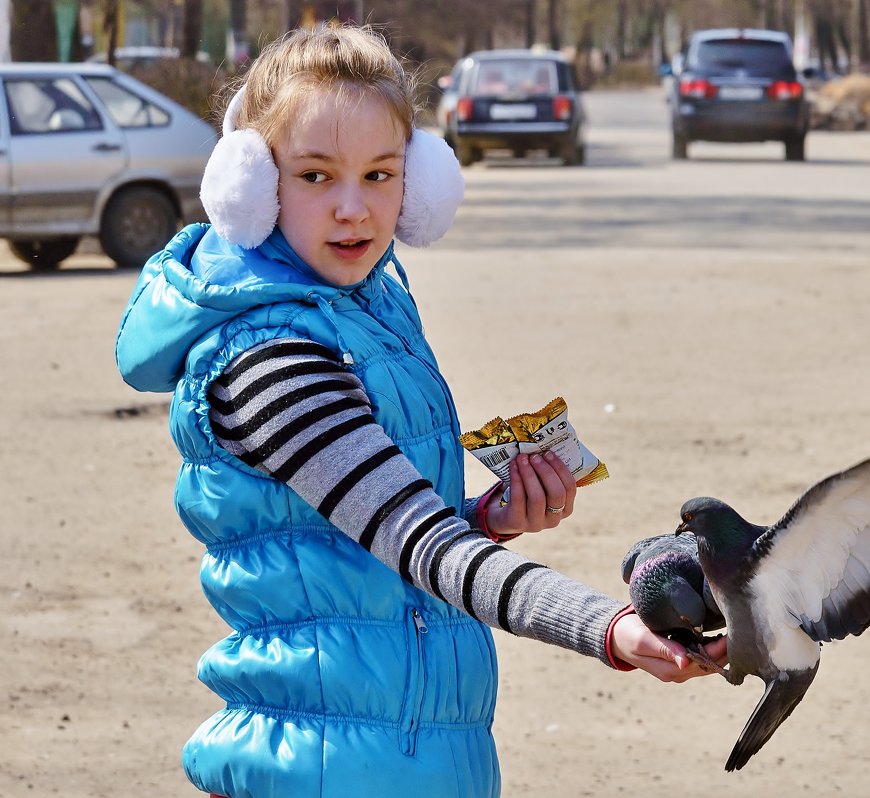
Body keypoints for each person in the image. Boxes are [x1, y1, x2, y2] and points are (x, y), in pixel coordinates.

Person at [114, 24, 725, 798]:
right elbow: (417, 544)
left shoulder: (368, 307)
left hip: (408, 754)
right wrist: (609, 628)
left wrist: (486, 516)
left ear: (420, 182)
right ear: (253, 185)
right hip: (320, 770)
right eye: (314, 175)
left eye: (379, 174)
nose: (352, 209)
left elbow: (364, 544)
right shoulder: (268, 358)